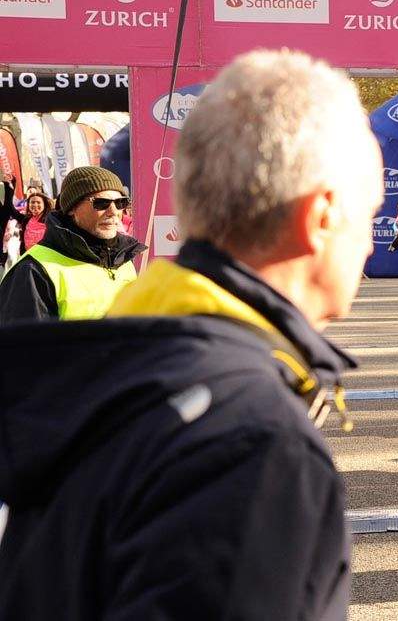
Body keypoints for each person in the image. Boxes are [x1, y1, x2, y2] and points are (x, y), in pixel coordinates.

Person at [0, 50, 374, 619]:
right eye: (368, 215)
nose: (371, 247)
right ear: (321, 216)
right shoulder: (253, 439)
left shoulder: (137, 357)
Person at [0, 166, 145, 322]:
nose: (113, 211)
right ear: (71, 208)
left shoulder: (122, 258)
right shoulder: (31, 270)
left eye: (120, 203)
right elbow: (24, 343)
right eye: (101, 203)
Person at [11, 187, 52, 254]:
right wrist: (10, 184)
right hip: (29, 258)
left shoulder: (51, 220)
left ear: (44, 205)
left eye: (38, 202)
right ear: (28, 205)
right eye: (32, 202)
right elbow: (10, 209)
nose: (35, 205)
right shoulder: (26, 220)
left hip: (46, 258)